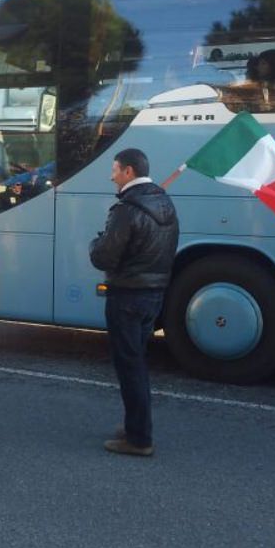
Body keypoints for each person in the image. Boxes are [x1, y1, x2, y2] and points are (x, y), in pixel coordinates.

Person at [89, 148, 178, 457]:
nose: (111, 175)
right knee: (136, 361)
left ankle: (139, 438)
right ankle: (134, 426)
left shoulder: (126, 209)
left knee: (130, 367)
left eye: (114, 169)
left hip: (127, 295)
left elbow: (103, 255)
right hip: (154, 295)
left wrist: (95, 242)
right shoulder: (164, 202)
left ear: (128, 172)